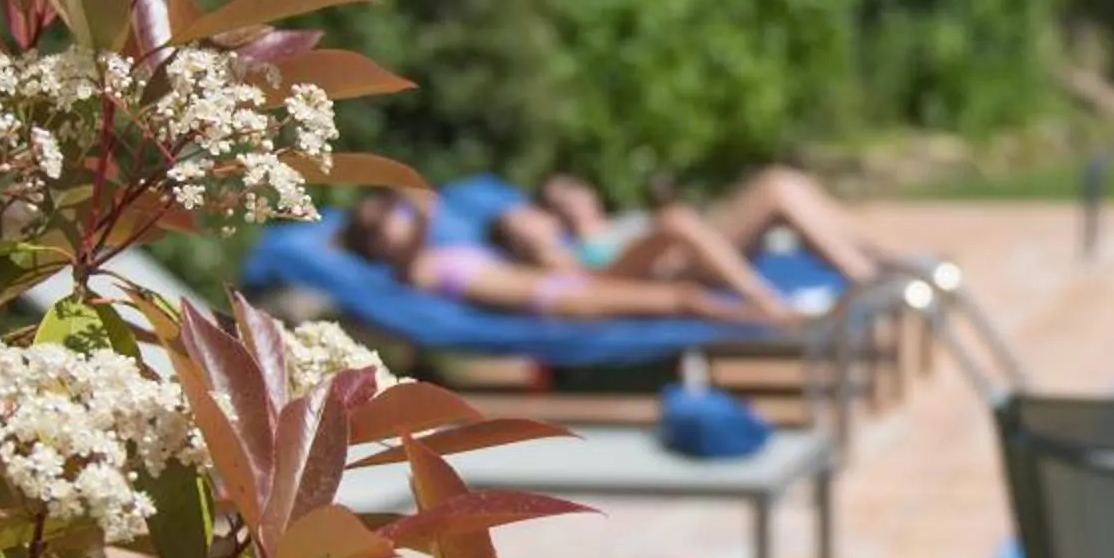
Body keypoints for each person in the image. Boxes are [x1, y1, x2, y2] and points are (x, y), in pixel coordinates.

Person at [339, 191, 789, 325]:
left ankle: (772, 316)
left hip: (559, 284)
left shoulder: (440, 252)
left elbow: (422, 209)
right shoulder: (413, 271)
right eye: (385, 225)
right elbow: (424, 207)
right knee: (683, 298)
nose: (398, 223)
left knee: (684, 295)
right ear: (378, 247)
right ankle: (778, 322)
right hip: (556, 301)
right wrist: (404, 198)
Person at [535, 163, 883, 286]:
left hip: (694, 251)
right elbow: (585, 281)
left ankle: (885, 261)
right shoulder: (576, 248)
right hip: (676, 268)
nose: (572, 202)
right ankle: (865, 276)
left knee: (790, 184)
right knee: (776, 188)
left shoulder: (618, 221)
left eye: (573, 191)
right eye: (559, 201)